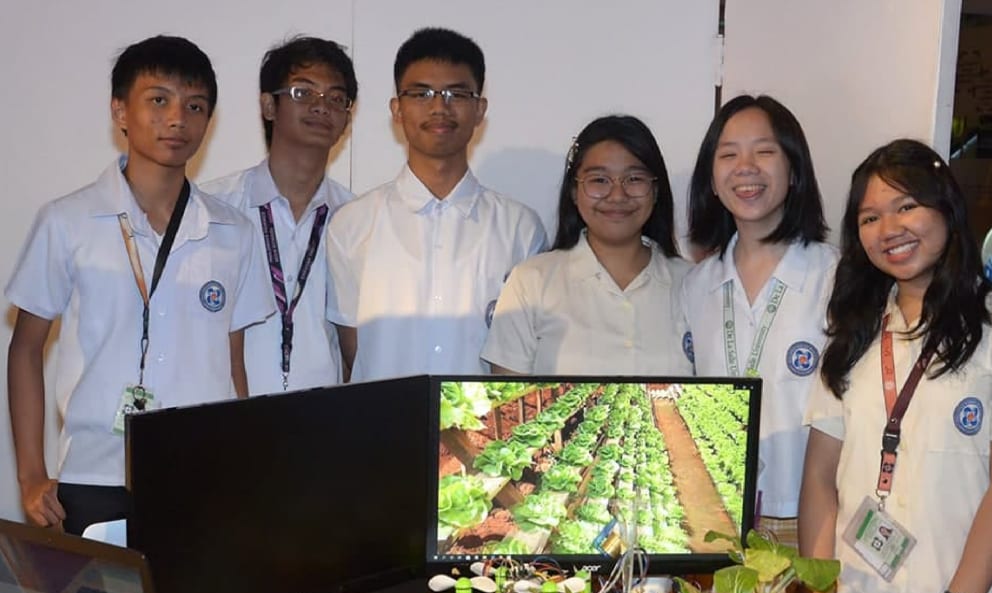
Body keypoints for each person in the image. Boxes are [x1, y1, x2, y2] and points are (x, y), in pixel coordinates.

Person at [799, 139, 992, 593]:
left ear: (946, 209)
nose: (890, 228)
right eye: (870, 217)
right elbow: (818, 480)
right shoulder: (852, 336)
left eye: (906, 206)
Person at [6, 35, 274, 534]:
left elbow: (232, 361)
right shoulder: (68, 221)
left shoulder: (233, 232)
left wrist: (244, 467)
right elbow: (25, 349)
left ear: (208, 122)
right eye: (158, 100)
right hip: (94, 474)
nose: (177, 118)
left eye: (194, 106)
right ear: (120, 112)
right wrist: (30, 474)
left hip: (203, 475)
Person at [325, 27, 546, 382]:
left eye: (456, 94)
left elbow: (520, 355)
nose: (439, 107)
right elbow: (351, 351)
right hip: (383, 430)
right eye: (421, 93)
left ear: (479, 109)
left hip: (483, 431)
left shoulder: (520, 229)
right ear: (397, 109)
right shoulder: (352, 224)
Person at [679, 95, 836, 547]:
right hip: (717, 519)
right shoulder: (695, 286)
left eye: (764, 151)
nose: (745, 167)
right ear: (711, 178)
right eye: (728, 154)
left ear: (794, 169)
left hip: (810, 515)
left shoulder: (836, 278)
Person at [204, 36, 358, 395]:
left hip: (324, 429)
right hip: (224, 427)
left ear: (347, 118)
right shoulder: (214, 210)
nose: (321, 107)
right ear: (268, 106)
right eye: (303, 93)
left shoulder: (357, 220)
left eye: (336, 99)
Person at [482, 115, 690, 375]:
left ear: (656, 190)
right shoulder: (530, 282)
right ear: (574, 191)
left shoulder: (693, 284)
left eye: (634, 179)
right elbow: (507, 406)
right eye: (599, 180)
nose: (617, 195)